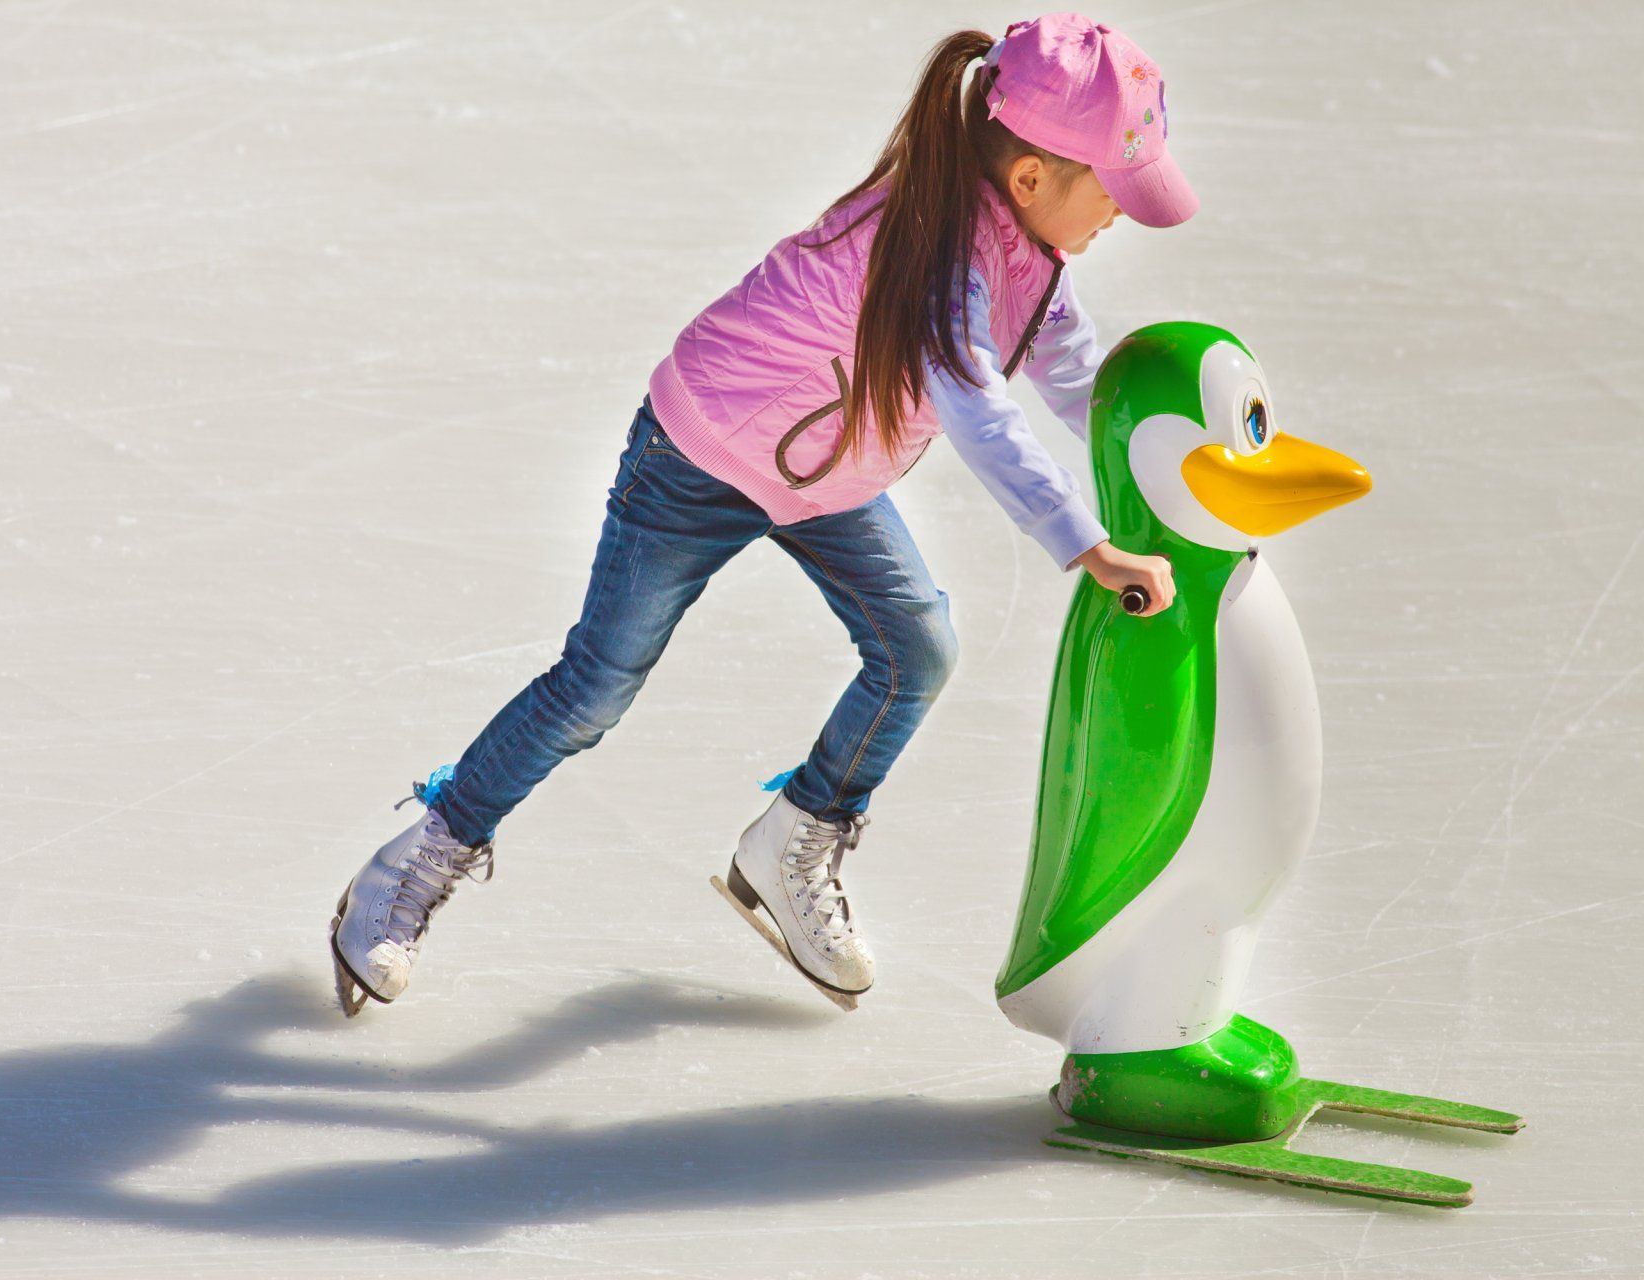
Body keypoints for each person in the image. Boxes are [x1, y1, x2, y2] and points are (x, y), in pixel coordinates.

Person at [330, 14, 1187, 1013]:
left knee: (919, 648)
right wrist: (1084, 543)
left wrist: (1181, 476)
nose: (1121, 214)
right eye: (1112, 190)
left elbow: (1086, 385)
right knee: (595, 688)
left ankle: (796, 838)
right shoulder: (932, 239)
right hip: (696, 457)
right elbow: (973, 399)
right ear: (1034, 178)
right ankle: (418, 855)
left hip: (822, 482)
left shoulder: (1032, 265)